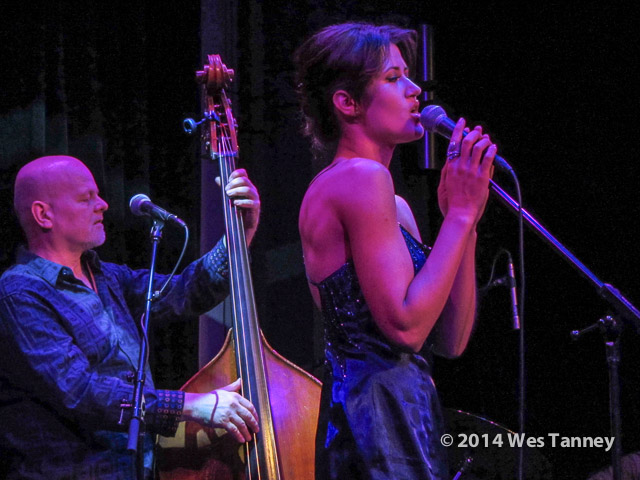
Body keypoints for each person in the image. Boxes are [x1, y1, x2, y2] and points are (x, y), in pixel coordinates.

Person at [294, 23, 497, 479]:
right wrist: (459, 216)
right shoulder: (357, 178)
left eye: (408, 75)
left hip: (407, 411)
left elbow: (450, 339)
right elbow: (405, 329)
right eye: (393, 78)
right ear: (347, 103)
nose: (414, 89)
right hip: (374, 419)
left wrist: (464, 224)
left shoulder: (394, 203)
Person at [0, 155, 261, 479]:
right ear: (43, 214)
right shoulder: (20, 293)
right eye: (86, 198)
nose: (103, 205)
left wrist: (239, 236)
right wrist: (191, 406)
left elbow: (183, 292)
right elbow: (80, 391)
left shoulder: (106, 277)